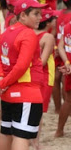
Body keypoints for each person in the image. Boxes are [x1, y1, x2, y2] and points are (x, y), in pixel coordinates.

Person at [0, 0, 47, 150]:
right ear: (23, 15)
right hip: (26, 92)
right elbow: (22, 67)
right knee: (22, 136)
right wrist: (2, 82)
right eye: (35, 13)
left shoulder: (8, 31)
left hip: (8, 91)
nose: (40, 18)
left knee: (6, 131)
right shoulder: (28, 34)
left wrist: (1, 79)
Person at [32, 8, 56, 149]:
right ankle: (35, 140)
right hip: (44, 76)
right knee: (39, 110)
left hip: (29, 74)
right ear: (47, 23)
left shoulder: (28, 33)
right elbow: (43, 61)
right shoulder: (47, 37)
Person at [55, 0, 71, 137]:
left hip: (68, 66)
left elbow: (60, 45)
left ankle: (59, 131)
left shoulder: (66, 24)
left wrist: (66, 61)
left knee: (67, 100)